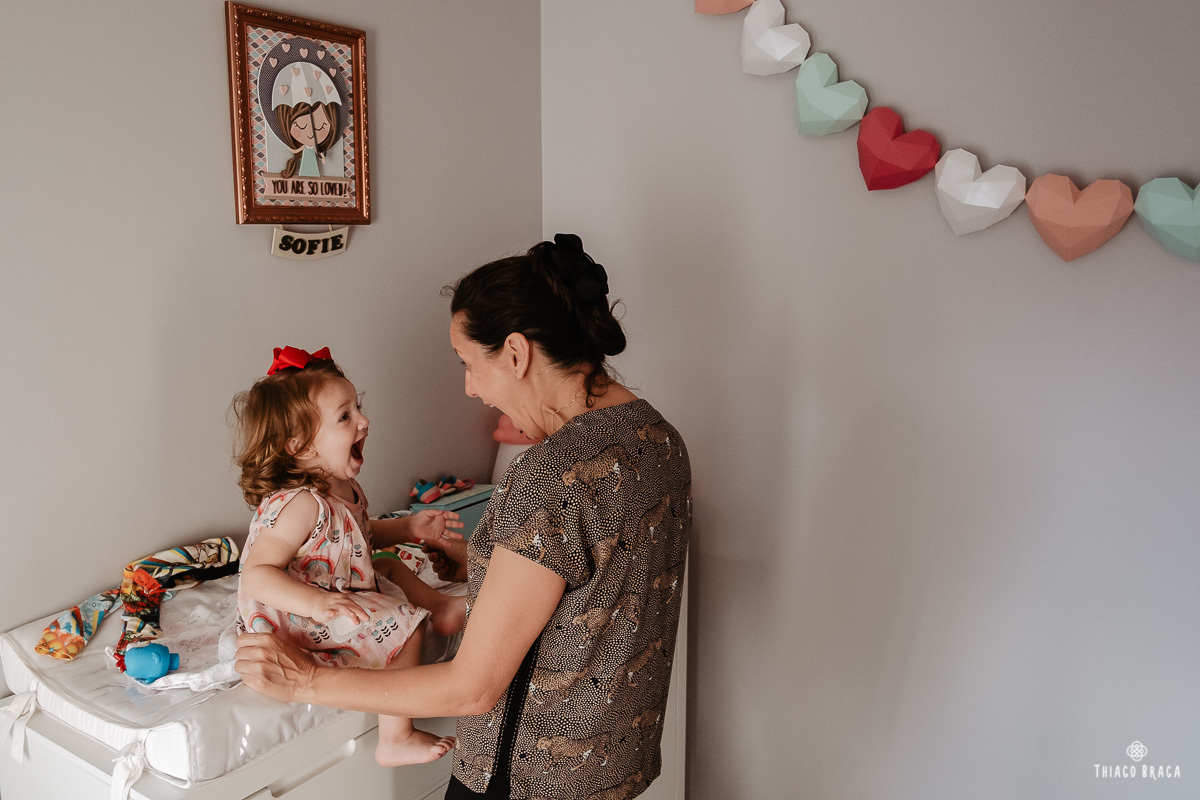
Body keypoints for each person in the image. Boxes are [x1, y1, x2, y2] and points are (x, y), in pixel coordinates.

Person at [236, 235, 692, 800]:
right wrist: (485, 560)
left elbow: (472, 690)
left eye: (470, 364)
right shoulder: (660, 440)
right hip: (616, 763)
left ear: (518, 353)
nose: (470, 388)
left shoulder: (551, 475)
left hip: (529, 777)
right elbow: (597, 591)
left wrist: (307, 679)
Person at [232, 345, 467, 766]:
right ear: (301, 447)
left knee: (389, 565)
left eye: (358, 408)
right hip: (297, 613)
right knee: (404, 626)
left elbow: (359, 536)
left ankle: (444, 608)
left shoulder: (344, 488)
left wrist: (409, 528)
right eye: (345, 417)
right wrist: (318, 603)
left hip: (331, 586)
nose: (364, 421)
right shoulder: (300, 504)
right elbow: (256, 575)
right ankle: (396, 735)